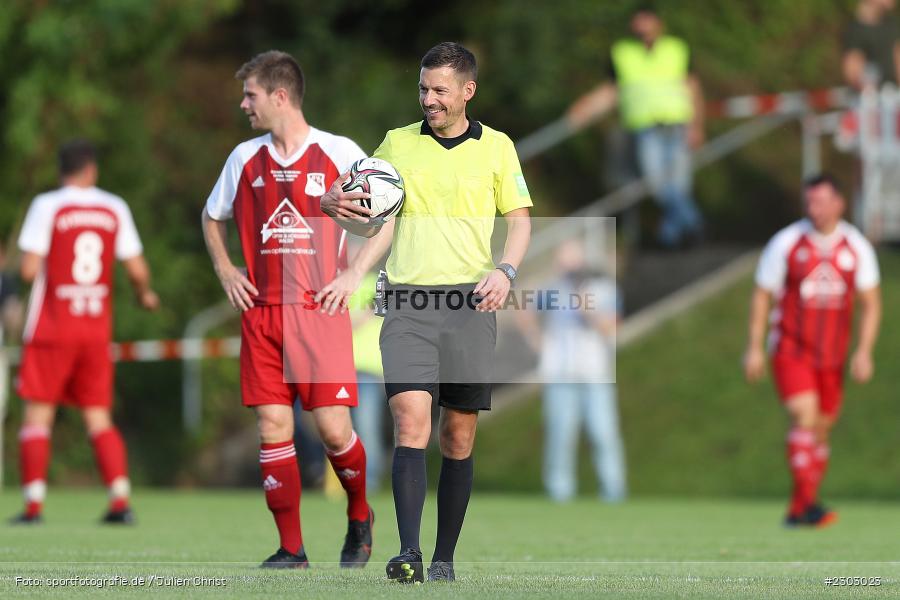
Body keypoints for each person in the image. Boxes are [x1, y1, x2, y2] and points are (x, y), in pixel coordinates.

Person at [321, 41, 532, 583]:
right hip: (409, 304)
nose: (429, 99)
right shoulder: (396, 144)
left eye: (439, 90)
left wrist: (504, 271)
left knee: (457, 436)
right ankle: (408, 554)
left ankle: (444, 561)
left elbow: (521, 221)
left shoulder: (498, 148)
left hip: (470, 305)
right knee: (409, 422)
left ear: (468, 91)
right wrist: (349, 253)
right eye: (423, 88)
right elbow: (378, 213)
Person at [202, 50, 391, 569]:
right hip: (262, 313)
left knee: (332, 430)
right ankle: (292, 549)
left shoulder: (337, 151)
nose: (244, 104)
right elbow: (211, 216)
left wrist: (353, 273)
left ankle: (359, 514)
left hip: (317, 312)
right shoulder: (244, 159)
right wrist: (226, 270)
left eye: (251, 95)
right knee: (272, 428)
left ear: (279, 96)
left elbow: (389, 214)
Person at [10, 139, 159, 525]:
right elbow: (138, 269)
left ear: (61, 171)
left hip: (51, 328)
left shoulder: (47, 206)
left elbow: (28, 271)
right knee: (98, 417)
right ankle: (120, 501)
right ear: (91, 170)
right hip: (95, 331)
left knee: (38, 415)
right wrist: (144, 294)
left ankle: (33, 506)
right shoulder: (114, 207)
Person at [743, 174, 881, 527]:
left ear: (839, 203)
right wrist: (754, 347)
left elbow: (871, 302)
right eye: (808, 202)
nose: (813, 208)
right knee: (805, 415)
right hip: (791, 349)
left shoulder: (856, 247)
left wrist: (864, 351)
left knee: (821, 429)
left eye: (820, 201)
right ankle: (807, 507)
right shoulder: (787, 243)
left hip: (832, 357)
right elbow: (762, 294)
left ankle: (800, 506)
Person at [567, 4, 705, 248]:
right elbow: (611, 90)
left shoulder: (676, 48)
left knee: (679, 186)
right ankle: (693, 227)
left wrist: (697, 125)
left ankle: (671, 239)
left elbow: (693, 88)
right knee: (658, 186)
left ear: (658, 22)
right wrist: (585, 107)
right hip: (645, 128)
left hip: (677, 125)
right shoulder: (622, 52)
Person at [516, 239, 626, 503]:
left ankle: (613, 491)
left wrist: (587, 311)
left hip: (595, 373)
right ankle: (559, 492)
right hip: (559, 373)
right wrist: (536, 340)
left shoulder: (604, 290)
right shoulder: (553, 289)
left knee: (603, 433)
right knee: (560, 435)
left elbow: (612, 328)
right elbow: (524, 311)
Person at [349, 271, 388, 492]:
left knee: (367, 426)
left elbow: (379, 312)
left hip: (368, 370)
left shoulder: (378, 282)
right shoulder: (333, 280)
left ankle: (369, 481)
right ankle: (338, 479)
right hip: (335, 367)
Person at [842, 0, 900, 90]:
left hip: (893, 94)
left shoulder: (892, 26)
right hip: (869, 96)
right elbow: (853, 73)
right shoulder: (855, 30)